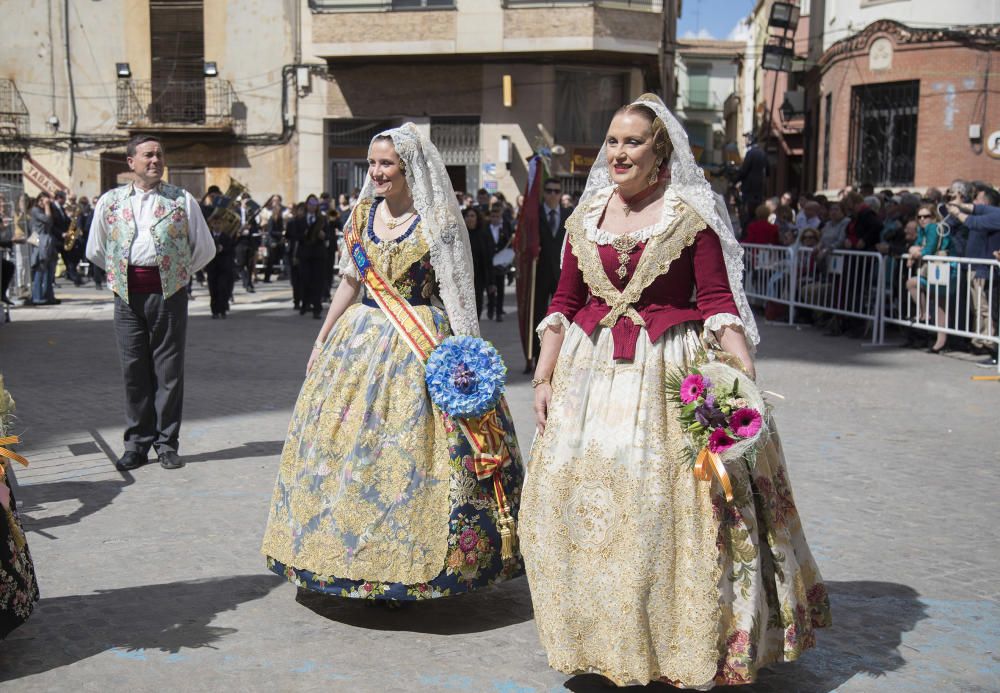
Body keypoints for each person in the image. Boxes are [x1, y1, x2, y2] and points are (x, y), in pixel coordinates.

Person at [520, 93, 830, 689]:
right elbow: (564, 301)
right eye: (612, 141)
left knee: (668, 513)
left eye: (632, 141)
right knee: (583, 512)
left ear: (660, 151)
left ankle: (680, 643)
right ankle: (605, 635)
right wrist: (545, 375)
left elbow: (717, 301)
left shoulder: (690, 213)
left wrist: (744, 382)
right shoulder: (587, 217)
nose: (618, 152)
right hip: (591, 378)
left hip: (668, 375)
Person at [261, 123, 525, 602]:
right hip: (359, 341)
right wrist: (321, 338)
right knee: (346, 450)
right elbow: (349, 282)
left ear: (409, 168)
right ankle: (340, 555)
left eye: (386, 164)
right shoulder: (361, 216)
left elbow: (458, 295)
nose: (377, 172)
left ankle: (422, 563)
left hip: (419, 342)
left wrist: (468, 359)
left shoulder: (438, 222)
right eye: (372, 163)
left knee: (413, 451)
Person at [85, 134, 216, 471]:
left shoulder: (181, 200)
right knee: (134, 371)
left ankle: (167, 444)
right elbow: (96, 249)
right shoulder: (110, 202)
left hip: (168, 294)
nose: (155, 161)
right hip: (127, 296)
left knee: (168, 371)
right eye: (148, 155)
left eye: (159, 155)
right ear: (131, 162)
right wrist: (120, 274)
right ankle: (136, 444)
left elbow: (204, 247)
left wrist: (177, 274)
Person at [948, 184, 1000, 357]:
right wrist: (957, 204)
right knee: (978, 308)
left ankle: (988, 343)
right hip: (976, 266)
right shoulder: (987, 212)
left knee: (986, 309)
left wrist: (958, 211)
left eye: (978, 198)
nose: (974, 201)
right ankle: (980, 341)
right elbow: (973, 211)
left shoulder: (994, 216)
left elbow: (974, 221)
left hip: (985, 267)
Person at [525, 178, 570, 372]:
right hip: (540, 273)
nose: (553, 194)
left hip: (560, 273)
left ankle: (559, 356)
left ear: (560, 193)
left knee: (560, 317)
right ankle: (534, 357)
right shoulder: (535, 215)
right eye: (549, 190)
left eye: (556, 191)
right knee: (538, 315)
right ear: (544, 192)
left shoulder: (568, 214)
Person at [905, 204, 952, 353]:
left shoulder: (933, 228)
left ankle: (940, 341)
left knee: (940, 303)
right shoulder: (922, 229)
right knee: (912, 283)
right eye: (919, 217)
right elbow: (917, 245)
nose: (922, 219)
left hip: (941, 266)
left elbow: (929, 248)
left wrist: (915, 253)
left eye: (926, 216)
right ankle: (924, 313)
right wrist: (914, 250)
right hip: (930, 268)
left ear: (933, 217)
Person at [294, 195, 328, 319]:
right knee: (305, 280)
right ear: (306, 205)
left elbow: (329, 235)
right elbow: (295, 236)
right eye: (310, 204)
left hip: (318, 255)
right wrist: (304, 234)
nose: (312, 206)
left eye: (315, 204)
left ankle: (317, 309)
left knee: (318, 282)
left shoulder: (322, 219)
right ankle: (305, 304)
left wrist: (323, 235)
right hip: (305, 255)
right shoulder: (300, 219)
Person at [29, 192, 59, 306]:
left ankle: (49, 295)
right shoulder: (35, 210)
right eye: (42, 201)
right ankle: (37, 296)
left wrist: (49, 206)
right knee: (40, 270)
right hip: (39, 241)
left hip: (48, 241)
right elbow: (47, 220)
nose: (44, 203)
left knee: (49, 271)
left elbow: (53, 220)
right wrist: (46, 206)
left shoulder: (48, 209)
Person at [485, 203, 513, 322]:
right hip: (490, 262)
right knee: (490, 287)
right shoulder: (486, 228)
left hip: (500, 262)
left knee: (500, 288)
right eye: (493, 216)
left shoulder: (504, 228)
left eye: (497, 216)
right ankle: (491, 308)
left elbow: (509, 242)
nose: (495, 219)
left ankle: (499, 312)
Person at [733, 132, 768, 226]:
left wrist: (734, 181)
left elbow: (744, 171)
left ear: (751, 140)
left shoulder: (750, 153)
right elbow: (767, 171)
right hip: (759, 190)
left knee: (747, 214)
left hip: (749, 189)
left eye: (746, 139)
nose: (745, 141)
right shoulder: (762, 153)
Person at [463, 207, 491, 317]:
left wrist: (490, 282)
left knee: (477, 305)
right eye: (467, 216)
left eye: (472, 216)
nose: (469, 218)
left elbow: (488, 258)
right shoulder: (460, 235)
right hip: (464, 276)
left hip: (478, 277)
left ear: (477, 218)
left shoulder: (483, 235)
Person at [235, 193, 261, 293]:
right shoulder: (236, 212)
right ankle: (246, 281)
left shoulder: (251, 213)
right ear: (241, 201)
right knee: (241, 263)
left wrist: (251, 228)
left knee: (250, 264)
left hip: (249, 241)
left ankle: (249, 283)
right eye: (245, 200)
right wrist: (240, 229)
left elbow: (255, 227)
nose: (247, 202)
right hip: (240, 240)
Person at [259, 194, 289, 283]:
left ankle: (286, 274)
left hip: (278, 241)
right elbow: (271, 231)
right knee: (271, 260)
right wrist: (281, 233)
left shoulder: (279, 219)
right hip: (273, 241)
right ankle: (267, 278)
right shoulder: (272, 219)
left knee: (285, 257)